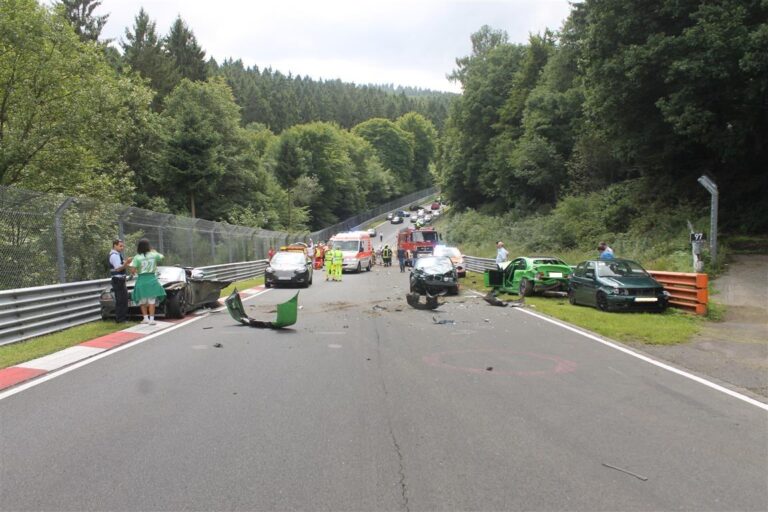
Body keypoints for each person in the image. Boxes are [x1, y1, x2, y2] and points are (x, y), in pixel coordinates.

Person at [129, 238, 166, 325]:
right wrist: (155, 252)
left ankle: (145, 318)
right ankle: (152, 319)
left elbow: (133, 270)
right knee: (151, 301)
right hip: (152, 279)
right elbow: (162, 257)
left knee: (142, 300)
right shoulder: (153, 255)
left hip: (141, 280)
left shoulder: (137, 257)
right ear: (148, 246)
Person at [108, 239, 132, 323]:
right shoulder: (114, 255)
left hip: (120, 280)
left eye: (122, 246)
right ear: (115, 245)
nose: (122, 248)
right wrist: (126, 263)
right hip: (118, 280)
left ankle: (122, 318)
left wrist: (129, 263)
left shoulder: (118, 255)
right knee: (121, 300)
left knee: (123, 299)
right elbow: (118, 268)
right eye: (120, 246)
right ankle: (120, 319)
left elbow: (123, 264)